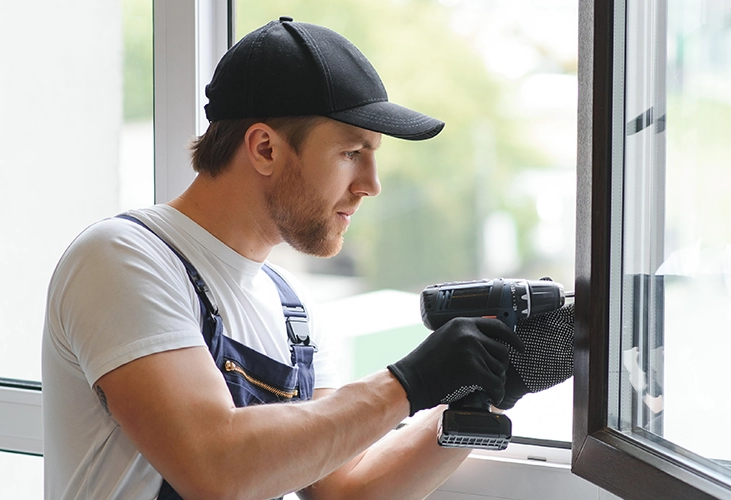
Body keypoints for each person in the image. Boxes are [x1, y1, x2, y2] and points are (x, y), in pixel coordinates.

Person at [42, 16, 569, 500]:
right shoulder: (123, 259)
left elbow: (346, 490)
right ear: (265, 148)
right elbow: (214, 467)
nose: (371, 185)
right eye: (350, 153)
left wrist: (482, 394)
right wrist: (408, 382)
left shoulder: (290, 308)